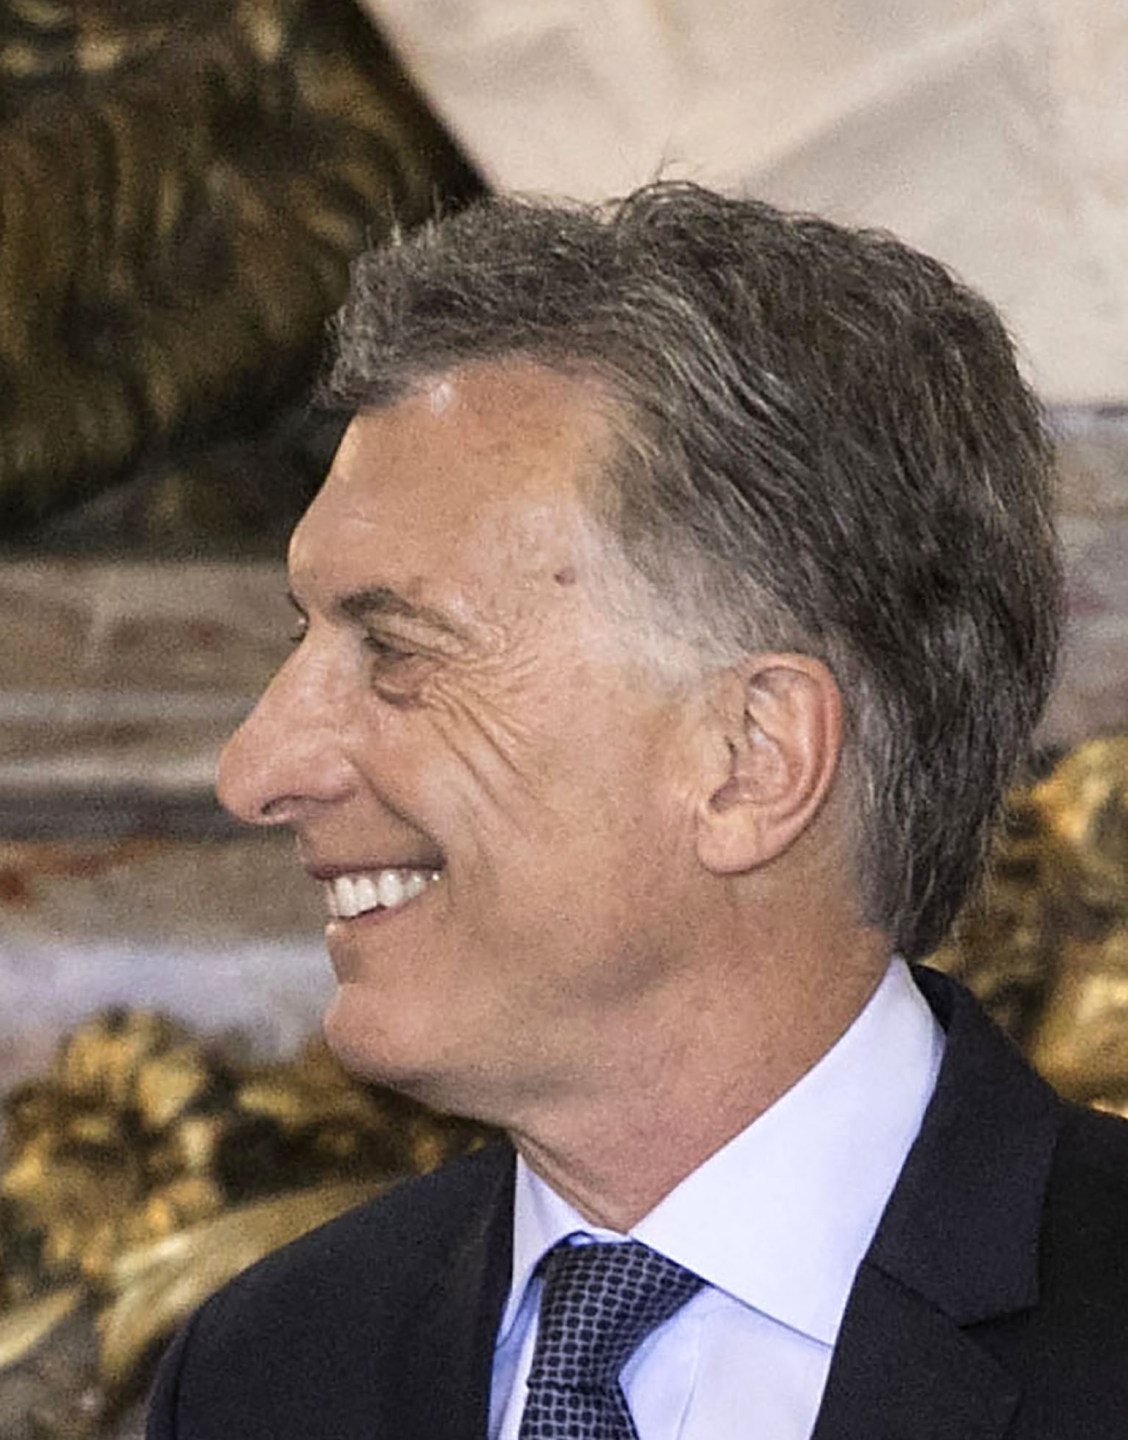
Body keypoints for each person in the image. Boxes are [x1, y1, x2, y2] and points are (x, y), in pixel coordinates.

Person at [148, 182, 1128, 1439]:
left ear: (749, 759)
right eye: (301, 641)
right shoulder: (269, 1372)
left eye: (396, 652)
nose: (256, 766)